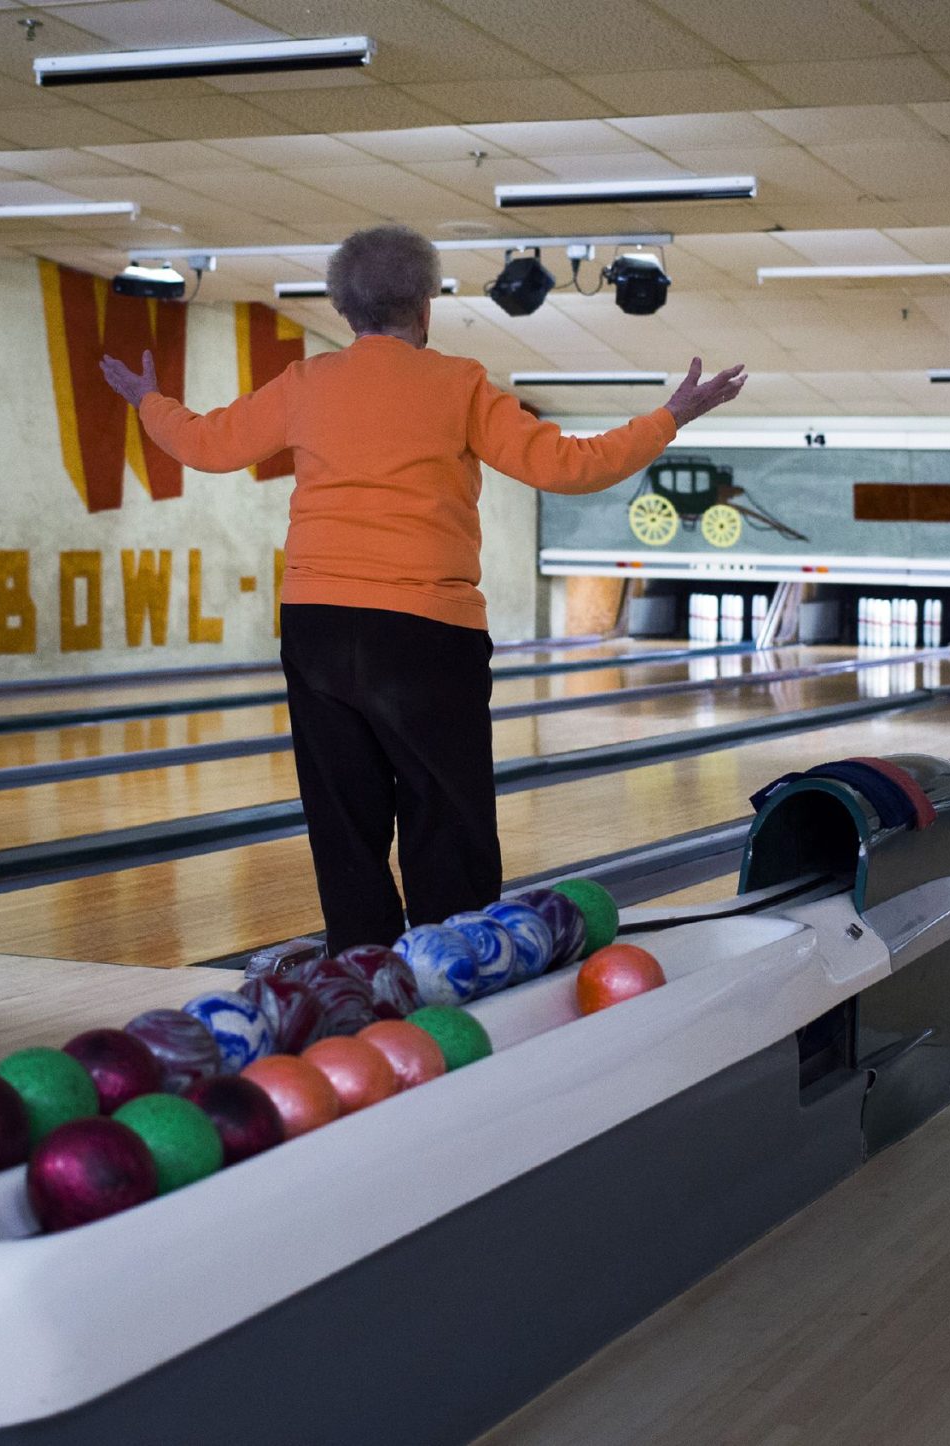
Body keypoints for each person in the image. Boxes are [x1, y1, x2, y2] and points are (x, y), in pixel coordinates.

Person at [100, 223, 747, 949]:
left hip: (315, 625)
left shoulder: (306, 383)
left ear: (344, 310)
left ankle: (363, 975)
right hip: (424, 630)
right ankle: (456, 969)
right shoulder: (459, 383)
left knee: (343, 822)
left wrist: (149, 400)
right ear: (427, 303)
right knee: (447, 817)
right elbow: (571, 467)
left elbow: (206, 444)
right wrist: (670, 417)